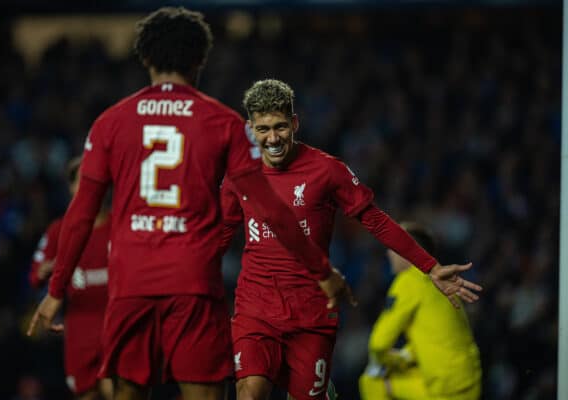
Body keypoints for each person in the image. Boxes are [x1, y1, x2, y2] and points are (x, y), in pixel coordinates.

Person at [27, 7, 356, 400]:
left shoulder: (110, 122)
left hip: (132, 283)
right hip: (192, 284)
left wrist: (56, 290)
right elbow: (268, 205)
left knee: (127, 393)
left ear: (146, 57)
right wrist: (322, 270)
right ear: (200, 58)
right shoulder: (222, 122)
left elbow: (81, 214)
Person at [219, 79, 482, 400]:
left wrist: (429, 266)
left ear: (295, 123)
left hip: (311, 314)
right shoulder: (240, 176)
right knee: (250, 392)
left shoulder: (326, 171)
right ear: (250, 128)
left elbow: (375, 221)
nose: (272, 138)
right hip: (255, 308)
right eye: (263, 129)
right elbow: (218, 235)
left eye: (280, 127)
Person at [358, 222, 482, 400]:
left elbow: (378, 344)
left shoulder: (409, 280)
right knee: (404, 371)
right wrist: (405, 357)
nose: (388, 253)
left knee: (372, 379)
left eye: (393, 247)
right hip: (470, 383)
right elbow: (438, 336)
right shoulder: (441, 280)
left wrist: (389, 360)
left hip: (445, 392)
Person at [29, 157, 112, 400]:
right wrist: (45, 270)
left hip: (116, 327)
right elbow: (35, 276)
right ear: (71, 187)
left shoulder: (120, 225)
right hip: (79, 332)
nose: (90, 187)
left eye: (96, 181)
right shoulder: (58, 230)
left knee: (116, 389)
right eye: (82, 181)